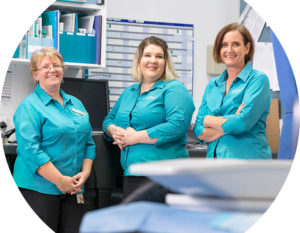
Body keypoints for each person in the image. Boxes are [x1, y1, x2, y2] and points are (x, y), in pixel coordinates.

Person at [13, 47, 96, 233]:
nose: (52, 70)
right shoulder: (29, 106)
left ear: (63, 70)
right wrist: (59, 180)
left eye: (56, 65)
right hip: (38, 189)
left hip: (73, 188)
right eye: (45, 67)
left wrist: (85, 173)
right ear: (35, 75)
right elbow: (30, 150)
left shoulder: (77, 103)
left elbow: (88, 142)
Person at [102, 36, 195, 197]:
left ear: (166, 62)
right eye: (147, 55)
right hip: (132, 175)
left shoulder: (174, 88)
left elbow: (177, 126)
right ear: (139, 60)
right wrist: (114, 131)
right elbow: (108, 120)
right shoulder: (129, 92)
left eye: (159, 56)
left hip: (164, 176)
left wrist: (135, 137)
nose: (153, 60)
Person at [193, 23, 272, 159]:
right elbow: (199, 130)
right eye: (224, 45)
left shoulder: (258, 80)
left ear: (247, 48)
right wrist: (231, 121)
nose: (229, 49)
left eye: (235, 44)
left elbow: (242, 123)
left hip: (248, 164)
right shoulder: (213, 85)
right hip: (214, 164)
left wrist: (209, 120)